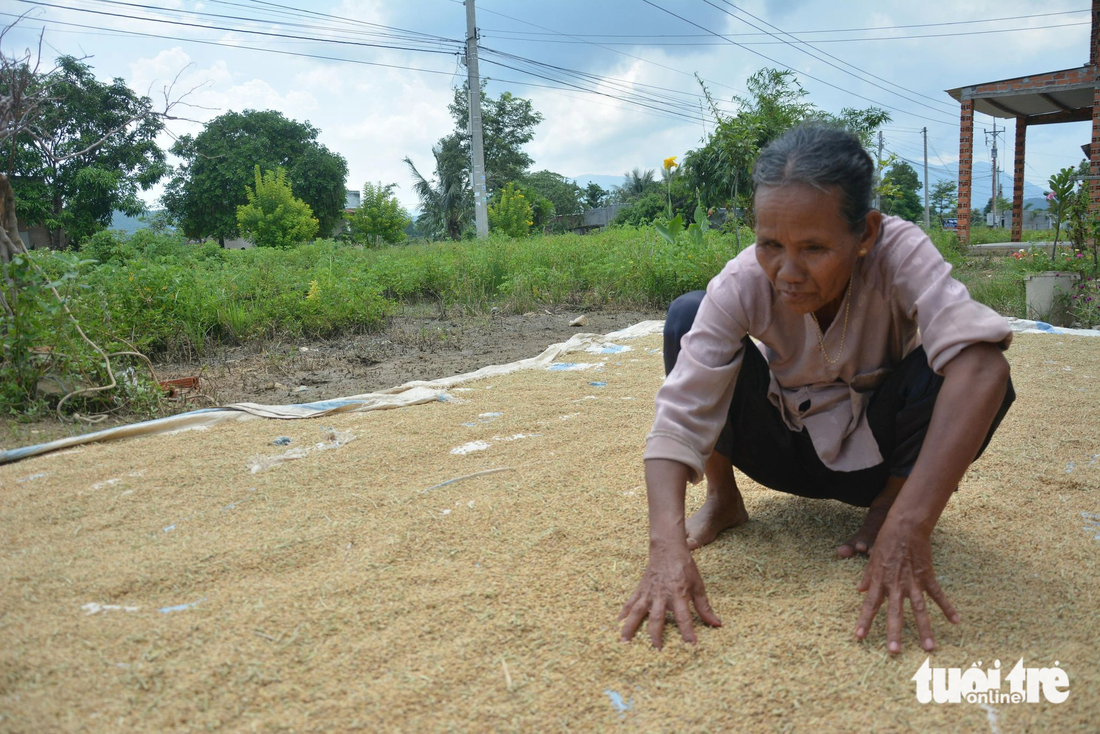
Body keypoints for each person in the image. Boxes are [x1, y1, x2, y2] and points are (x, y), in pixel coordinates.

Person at [618, 124, 1014, 654]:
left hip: (876, 460)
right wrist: (664, 546)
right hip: (784, 445)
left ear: (866, 233)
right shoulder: (744, 281)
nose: (788, 271)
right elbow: (680, 413)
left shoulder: (898, 252)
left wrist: (912, 521)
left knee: (972, 358)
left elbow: (984, 370)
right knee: (686, 317)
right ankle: (724, 498)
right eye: (770, 244)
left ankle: (888, 511)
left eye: (814, 248)